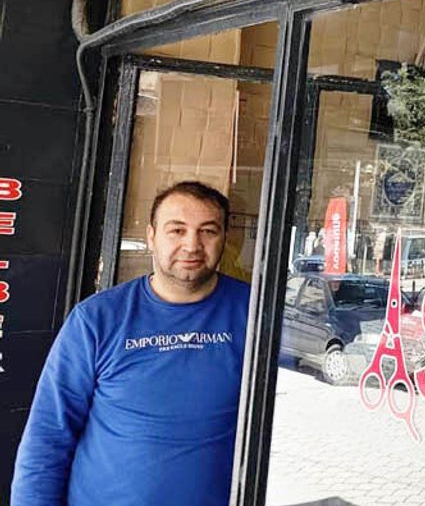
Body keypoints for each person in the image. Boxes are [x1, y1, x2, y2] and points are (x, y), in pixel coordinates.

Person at [11, 181, 250, 506]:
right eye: (177, 230)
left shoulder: (255, 313)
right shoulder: (97, 319)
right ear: (151, 236)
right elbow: (48, 435)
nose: (192, 245)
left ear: (224, 238)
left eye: (208, 231)